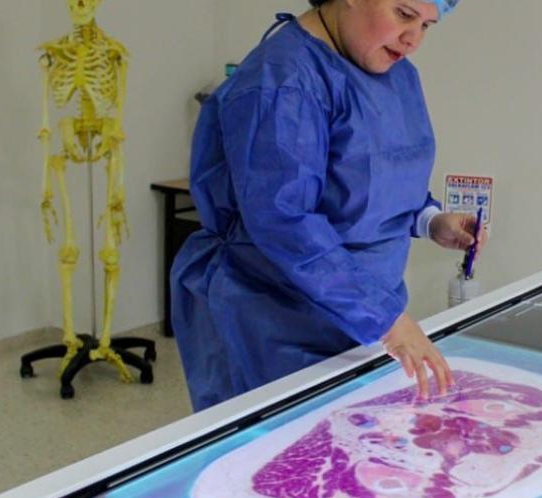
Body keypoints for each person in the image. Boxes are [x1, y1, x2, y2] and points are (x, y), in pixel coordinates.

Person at [171, 0, 481, 412]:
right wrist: (386, 321)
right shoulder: (282, 81)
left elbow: (380, 183)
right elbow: (285, 220)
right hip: (273, 316)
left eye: (427, 25)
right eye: (405, 14)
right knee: (280, 441)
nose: (414, 40)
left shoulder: (397, 75)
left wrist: (430, 219)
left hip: (360, 317)